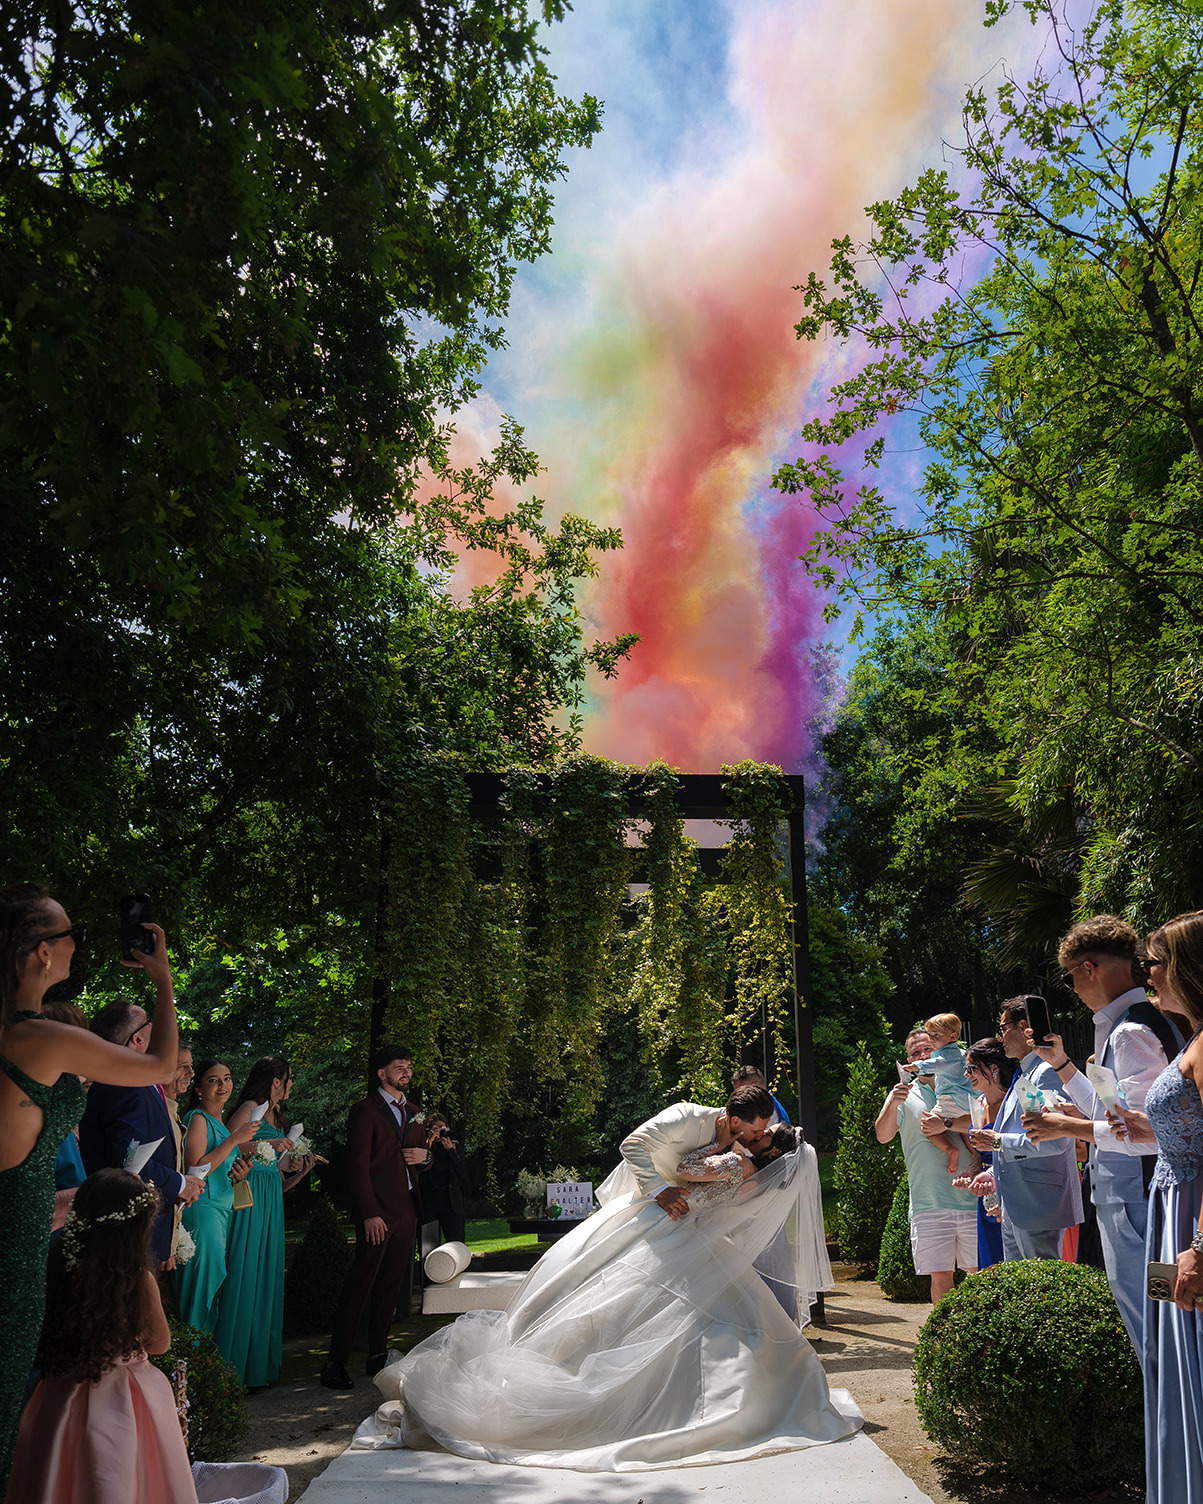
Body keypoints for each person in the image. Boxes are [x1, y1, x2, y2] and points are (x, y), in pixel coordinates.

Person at [352, 1122, 861, 1470]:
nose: (756, 1131)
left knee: (608, 1306)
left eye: (764, 1134)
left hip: (671, 1229)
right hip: (695, 1241)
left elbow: (684, 1172)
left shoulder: (735, 1166)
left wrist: (715, 1149)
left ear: (771, 1150)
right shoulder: (759, 1178)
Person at [0, 883, 181, 1491]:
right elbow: (158, 1066)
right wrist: (161, 980)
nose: (81, 944)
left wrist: (53, 1203)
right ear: (40, 953)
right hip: (14, 1248)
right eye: (72, 934)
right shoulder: (36, 1037)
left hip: (24, 1219)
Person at [1021, 915, 1181, 1352]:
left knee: (1149, 1322)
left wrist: (1064, 1125)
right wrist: (1063, 1066)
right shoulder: (1135, 1022)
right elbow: (1116, 1113)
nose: (1072, 988)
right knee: (1153, 1318)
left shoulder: (1130, 1032)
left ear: (1088, 968)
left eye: (1070, 977)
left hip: (1136, 1195)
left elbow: (1149, 1132)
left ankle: (1162, 1416)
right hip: (1134, 1193)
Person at [7, 1167, 199, 1503]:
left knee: (62, 1479)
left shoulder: (57, 1262)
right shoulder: (138, 1278)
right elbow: (160, 1343)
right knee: (122, 1480)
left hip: (59, 1392)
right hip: (126, 1399)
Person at [1106, 912, 1203, 1503]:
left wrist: (1201, 1248)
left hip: (1187, 1229)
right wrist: (1146, 1123)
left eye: (1156, 961)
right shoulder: (1193, 1036)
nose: (1147, 973)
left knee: (1190, 1357)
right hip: (1167, 1225)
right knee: (1168, 1349)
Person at [321, 1046, 429, 1390]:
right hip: (378, 1213)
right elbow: (356, 1165)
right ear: (381, 1073)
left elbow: (420, 1160)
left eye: (409, 1067)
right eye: (399, 1068)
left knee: (393, 1286)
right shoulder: (365, 1111)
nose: (406, 1073)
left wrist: (425, 1158)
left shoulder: (414, 1112)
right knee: (361, 1284)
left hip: (408, 1210)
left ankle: (377, 1355)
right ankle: (335, 1362)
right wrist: (368, 1213)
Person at [79, 1001, 203, 1270]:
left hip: (146, 1230)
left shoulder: (140, 1082)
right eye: (149, 1021)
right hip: (129, 1235)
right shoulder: (125, 1085)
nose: (157, 1026)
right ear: (137, 1039)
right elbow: (127, 1162)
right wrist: (180, 1183)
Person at [215, 1056, 313, 1387]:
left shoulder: (278, 1116)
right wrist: (269, 1143)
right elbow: (228, 1146)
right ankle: (232, 1367)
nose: (290, 1085)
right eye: (288, 1078)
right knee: (245, 1272)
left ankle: (258, 1369)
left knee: (267, 1276)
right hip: (249, 1196)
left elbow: (276, 1168)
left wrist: (297, 1166)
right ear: (275, 1081)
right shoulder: (249, 1107)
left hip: (271, 1197)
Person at [966, 998, 1082, 1262]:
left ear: (1022, 1026)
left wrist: (997, 1142)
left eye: (1002, 1028)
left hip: (1040, 1204)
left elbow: (1055, 1140)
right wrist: (994, 1174)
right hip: (1016, 1204)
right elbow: (1022, 1135)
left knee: (1043, 1290)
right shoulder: (1024, 1073)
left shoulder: (1046, 1072)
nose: (1000, 1037)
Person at [875, 1028, 978, 1300]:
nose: (922, 1056)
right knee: (941, 1278)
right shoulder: (903, 1093)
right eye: (914, 1053)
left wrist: (947, 1123)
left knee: (981, 1274)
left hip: (973, 1196)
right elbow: (883, 1136)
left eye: (927, 1050)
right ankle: (946, 1341)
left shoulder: (965, 1083)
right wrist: (893, 1102)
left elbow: (983, 1123)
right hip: (928, 1202)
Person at [594, 1083, 777, 1219]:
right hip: (635, 1200)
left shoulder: (739, 1148)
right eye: (756, 1132)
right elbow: (632, 1144)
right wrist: (660, 1190)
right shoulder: (686, 1117)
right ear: (736, 1121)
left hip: (679, 1217)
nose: (758, 1137)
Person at [177, 1058, 256, 1334]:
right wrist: (234, 1140)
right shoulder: (197, 1119)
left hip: (221, 1212)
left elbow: (217, 1167)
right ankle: (190, 1364)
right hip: (203, 1212)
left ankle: (203, 1360)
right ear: (198, 1089)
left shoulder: (220, 1124)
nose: (223, 1085)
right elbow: (195, 1169)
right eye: (213, 1080)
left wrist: (239, 1173)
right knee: (201, 1289)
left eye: (227, 1078)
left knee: (213, 1287)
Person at [909, 1012, 974, 1176]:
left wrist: (916, 1067)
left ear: (953, 1036)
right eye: (930, 1035)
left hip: (951, 1100)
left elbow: (935, 1064)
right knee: (969, 1135)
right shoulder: (961, 1052)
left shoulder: (947, 1055)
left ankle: (950, 1150)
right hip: (967, 1101)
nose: (931, 1039)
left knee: (928, 1125)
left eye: (936, 1035)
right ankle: (977, 1158)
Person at [424, 1113, 467, 1245]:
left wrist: (451, 1151)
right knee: (427, 1246)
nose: (439, 1132)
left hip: (450, 1202)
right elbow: (419, 1168)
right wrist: (429, 1143)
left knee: (456, 1244)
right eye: (436, 1128)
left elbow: (463, 1174)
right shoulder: (425, 1147)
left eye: (443, 1128)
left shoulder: (453, 1146)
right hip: (429, 1203)